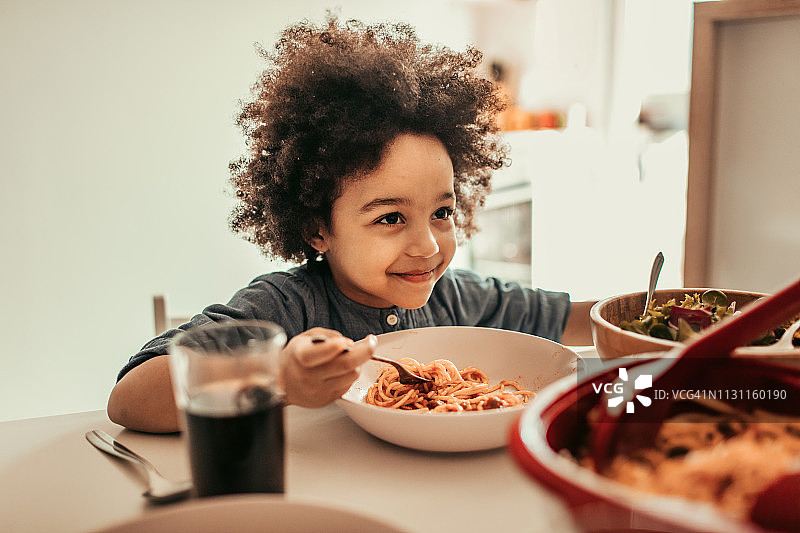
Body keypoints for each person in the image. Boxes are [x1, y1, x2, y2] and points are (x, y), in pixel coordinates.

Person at [107, 15, 594, 433]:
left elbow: (577, 320)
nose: (427, 246)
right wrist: (277, 376)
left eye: (441, 213)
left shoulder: (456, 298)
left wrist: (657, 315)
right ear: (318, 228)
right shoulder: (287, 306)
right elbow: (130, 397)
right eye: (390, 218)